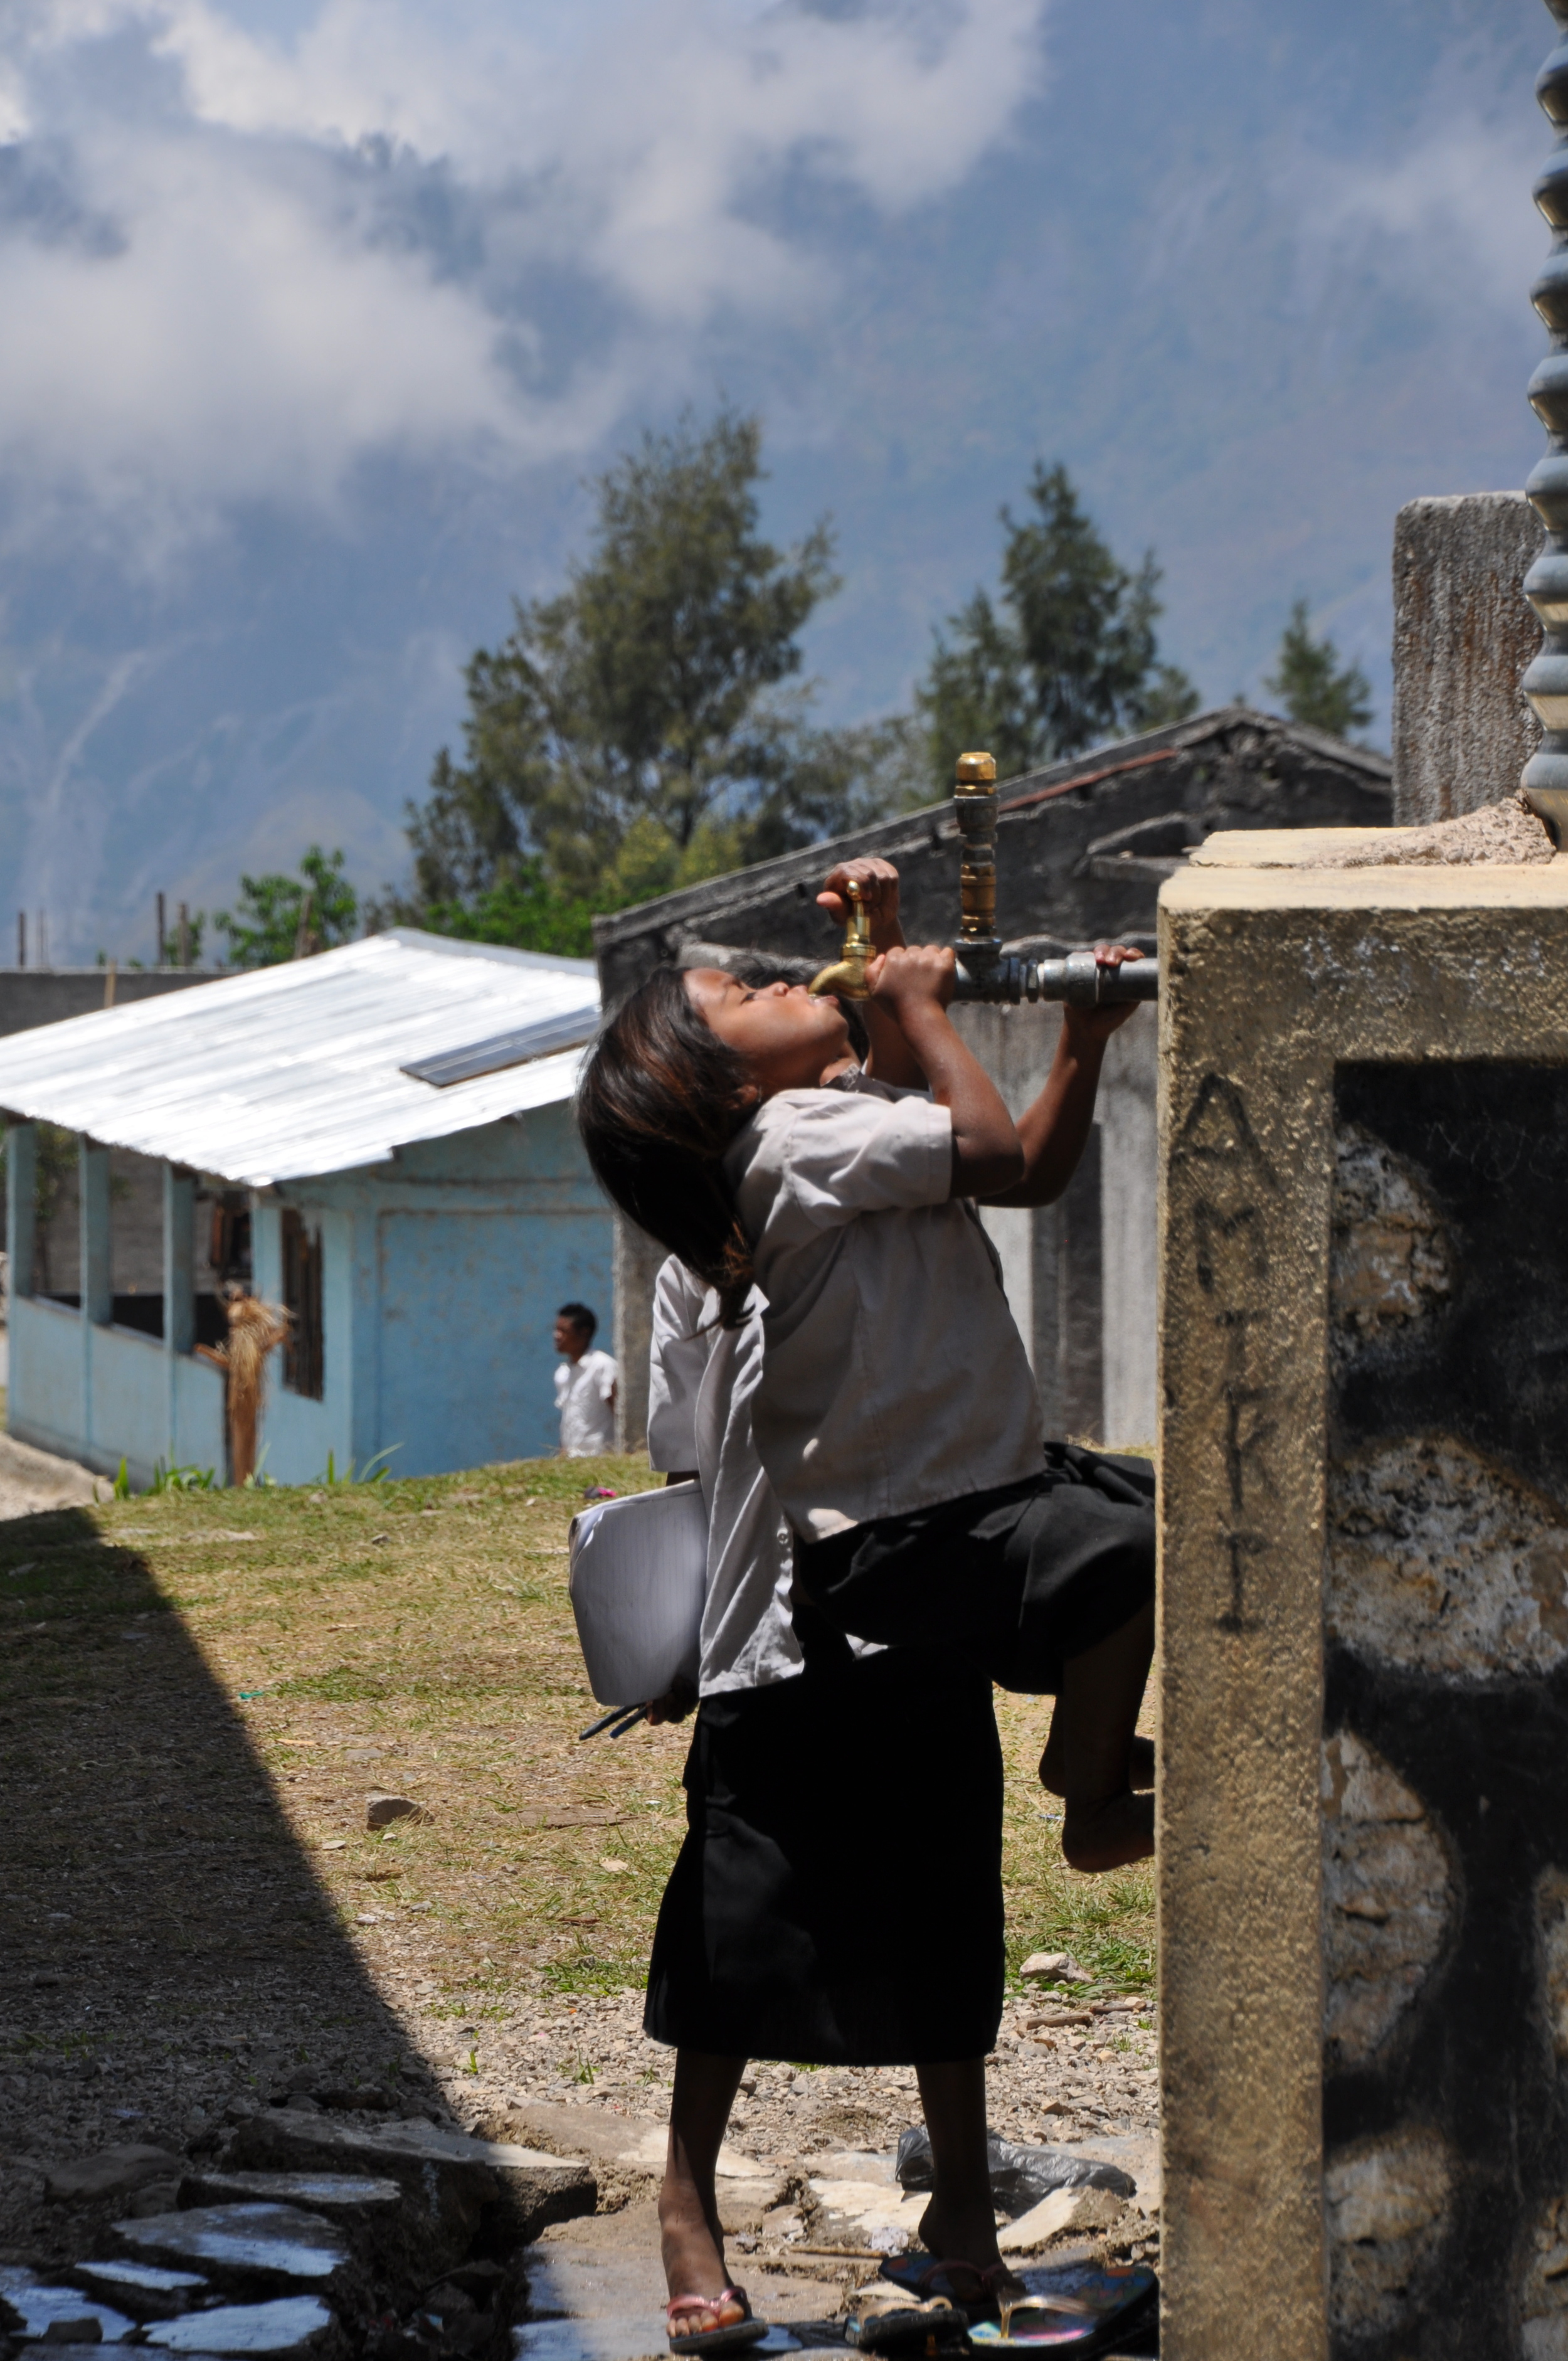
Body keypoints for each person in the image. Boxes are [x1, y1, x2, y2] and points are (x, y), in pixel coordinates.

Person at [576, 862, 1149, 2355]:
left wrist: (880, 955)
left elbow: (901, 1106)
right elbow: (691, 1450)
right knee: (739, 1917)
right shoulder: (731, 1233)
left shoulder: (830, 1130)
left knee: (943, 1892)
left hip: (922, 1578)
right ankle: (687, 2197)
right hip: (780, 1596)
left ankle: (963, 2202)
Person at [576, 873, 1155, 1876]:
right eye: (748, 999)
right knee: (1129, 1551)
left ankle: (1091, 1756)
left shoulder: (827, 1125)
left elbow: (1027, 1167)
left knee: (1155, 1525)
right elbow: (988, 1149)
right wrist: (920, 1007)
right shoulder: (796, 1140)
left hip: (957, 1491)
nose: (780, 982)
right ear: (728, 1090)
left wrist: (1080, 1043)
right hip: (906, 1523)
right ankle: (1091, 1785)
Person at [553, 1301, 618, 1456]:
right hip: (572, 1461)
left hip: (601, 1459)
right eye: (556, 1330)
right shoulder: (563, 1373)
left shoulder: (602, 1366)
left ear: (584, 1333)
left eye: (564, 1331)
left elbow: (618, 1410)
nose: (557, 1336)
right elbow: (569, 1420)